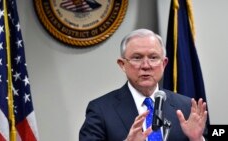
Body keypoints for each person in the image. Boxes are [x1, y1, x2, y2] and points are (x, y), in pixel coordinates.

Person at [79, 29, 208, 141]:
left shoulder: (186, 107)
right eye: (137, 58)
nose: (146, 66)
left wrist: (196, 139)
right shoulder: (100, 109)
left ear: (164, 64)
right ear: (122, 64)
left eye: (153, 57)